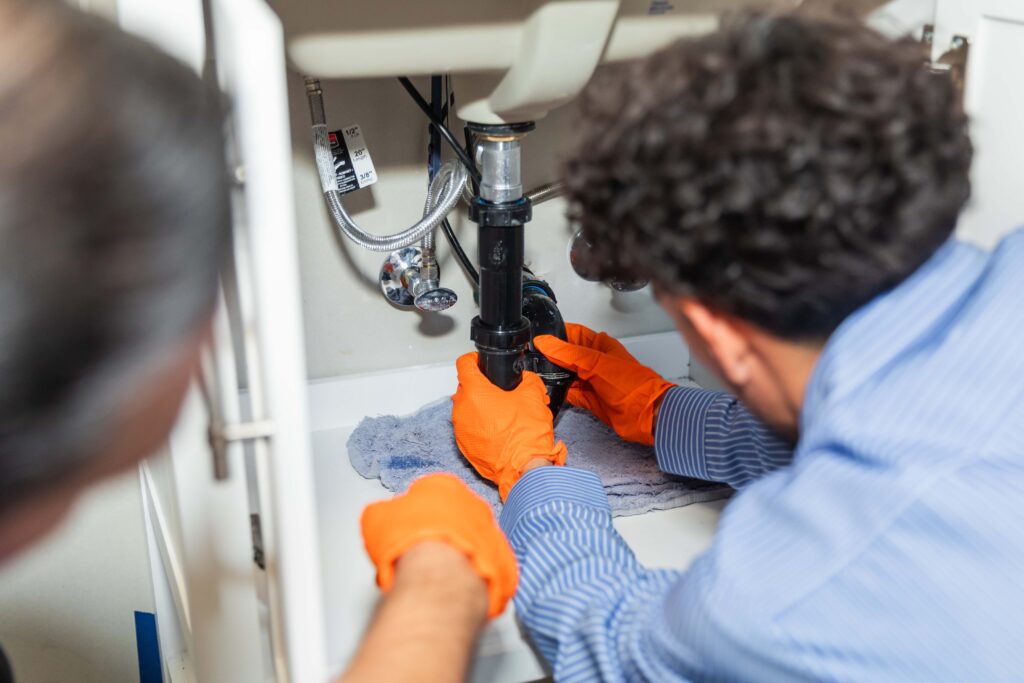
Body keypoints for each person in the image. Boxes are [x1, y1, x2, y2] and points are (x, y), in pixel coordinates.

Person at [362, 8, 1024, 683]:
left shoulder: (785, 599)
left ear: (716, 333)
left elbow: (618, 646)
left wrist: (527, 469)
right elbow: (891, 425)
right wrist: (661, 412)